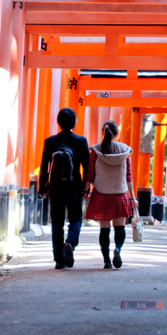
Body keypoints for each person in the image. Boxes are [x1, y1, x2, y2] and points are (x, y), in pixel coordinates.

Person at [38, 107, 90, 269]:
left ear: (59, 122)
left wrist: (42, 188)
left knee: (57, 223)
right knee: (75, 219)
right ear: (74, 122)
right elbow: (87, 167)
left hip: (55, 188)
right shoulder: (81, 141)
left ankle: (59, 260)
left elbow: (44, 166)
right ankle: (70, 242)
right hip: (74, 188)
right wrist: (86, 188)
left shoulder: (50, 141)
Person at [84, 120, 137, 269]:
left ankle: (107, 261)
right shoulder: (125, 150)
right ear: (117, 134)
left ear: (103, 132)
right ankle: (118, 249)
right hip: (120, 195)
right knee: (120, 228)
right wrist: (133, 197)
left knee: (104, 230)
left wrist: (86, 190)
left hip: (101, 194)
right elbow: (129, 176)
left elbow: (90, 174)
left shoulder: (95, 151)